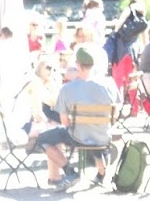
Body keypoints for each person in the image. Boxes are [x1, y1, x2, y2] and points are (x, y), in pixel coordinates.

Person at [25, 45, 120, 187]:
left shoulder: (67, 89)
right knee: (93, 135)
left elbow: (64, 122)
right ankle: (101, 174)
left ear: (77, 65)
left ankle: (70, 171)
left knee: (43, 139)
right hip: (103, 135)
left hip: (78, 137)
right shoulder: (109, 84)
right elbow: (117, 112)